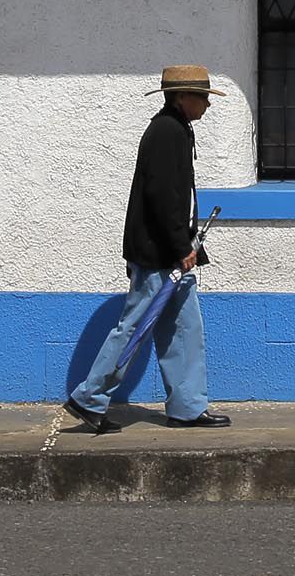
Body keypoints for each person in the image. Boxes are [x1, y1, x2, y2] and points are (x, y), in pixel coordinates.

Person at [63, 65, 232, 432]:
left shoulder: (176, 130)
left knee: (186, 331)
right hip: (159, 256)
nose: (206, 104)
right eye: (201, 96)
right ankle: (89, 398)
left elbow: (172, 200)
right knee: (134, 328)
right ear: (182, 97)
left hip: (171, 252)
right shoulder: (166, 132)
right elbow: (161, 198)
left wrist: (186, 245)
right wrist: (179, 247)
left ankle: (187, 407)